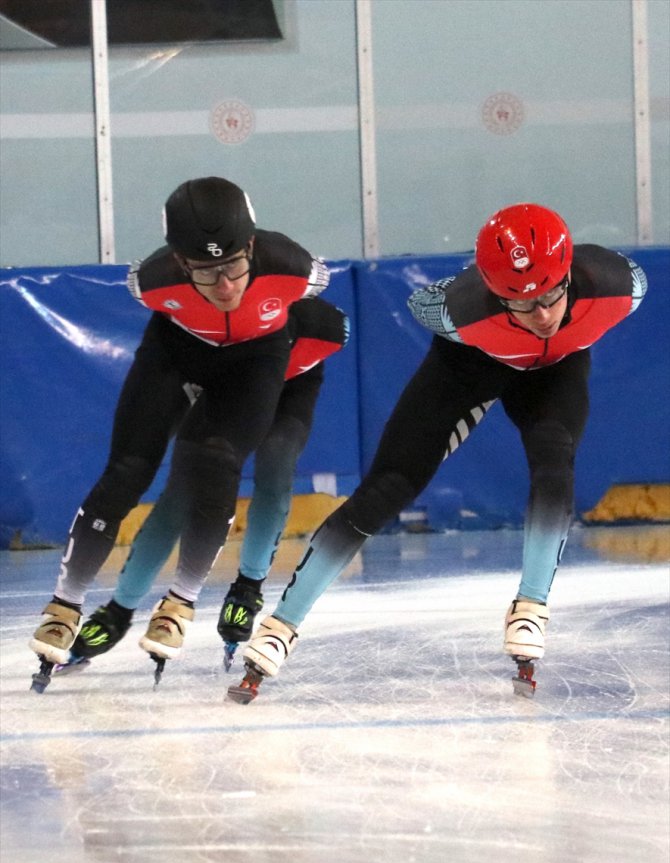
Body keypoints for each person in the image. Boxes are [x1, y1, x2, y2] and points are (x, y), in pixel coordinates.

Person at [228, 202, 648, 701]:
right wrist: (484, 300)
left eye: (552, 296)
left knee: (554, 461)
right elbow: (419, 304)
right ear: (494, 293)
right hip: (470, 364)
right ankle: (282, 624)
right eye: (522, 304)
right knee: (386, 490)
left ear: (569, 275)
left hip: (557, 370)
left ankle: (531, 606)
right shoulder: (461, 310)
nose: (540, 316)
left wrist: (533, 319)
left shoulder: (620, 284)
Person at [28, 175, 333, 690]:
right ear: (178, 261)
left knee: (218, 463)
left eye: (235, 265)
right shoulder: (152, 282)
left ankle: (182, 600)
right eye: (205, 273)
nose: (226, 287)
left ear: (253, 246)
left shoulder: (295, 269)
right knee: (127, 470)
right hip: (177, 349)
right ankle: (65, 604)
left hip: (255, 362)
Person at [64, 295, 348, 670]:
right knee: (183, 488)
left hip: (289, 384)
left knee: (277, 464)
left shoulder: (315, 324)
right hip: (235, 382)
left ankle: (248, 587)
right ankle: (121, 607)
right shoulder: (215, 312)